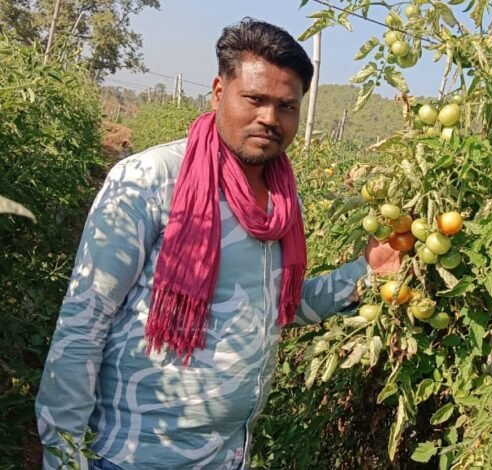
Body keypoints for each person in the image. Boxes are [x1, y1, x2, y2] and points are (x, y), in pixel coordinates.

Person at [35, 17, 401, 469]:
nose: (270, 118)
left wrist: (365, 272)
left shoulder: (283, 203)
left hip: (229, 455)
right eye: (255, 99)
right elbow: (82, 327)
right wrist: (65, 456)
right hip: (134, 455)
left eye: (286, 106)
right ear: (218, 91)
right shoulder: (150, 181)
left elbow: (277, 307)